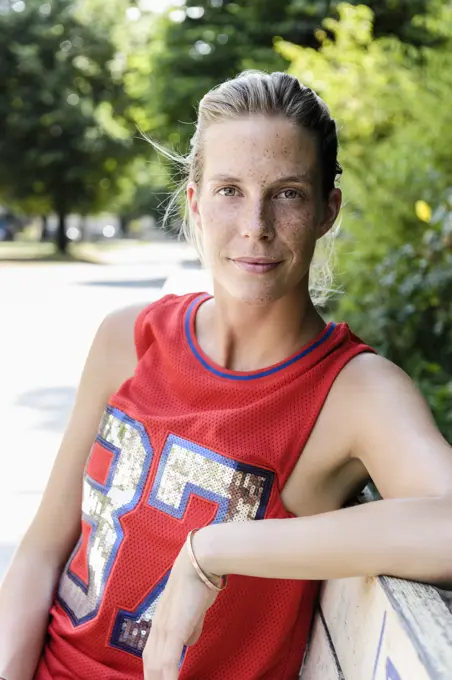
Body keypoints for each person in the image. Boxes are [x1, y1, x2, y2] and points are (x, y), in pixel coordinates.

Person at [0, 70, 451, 680]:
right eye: (230, 190)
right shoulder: (128, 338)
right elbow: (42, 546)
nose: (256, 225)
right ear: (195, 200)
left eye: (288, 193)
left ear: (326, 210)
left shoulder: (352, 391)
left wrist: (212, 551)